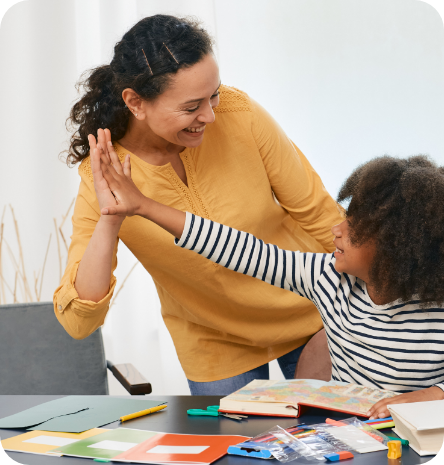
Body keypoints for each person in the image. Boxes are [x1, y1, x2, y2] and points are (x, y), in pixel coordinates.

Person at [54, 14, 343, 395]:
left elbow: (320, 214)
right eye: (191, 107)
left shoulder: (239, 114)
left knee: (340, 443)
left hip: (311, 314)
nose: (209, 115)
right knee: (231, 454)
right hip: (214, 342)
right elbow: (79, 321)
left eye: (214, 95)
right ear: (135, 102)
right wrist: (110, 218)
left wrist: (358, 312)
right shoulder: (104, 175)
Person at [95, 149, 444, 418]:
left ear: (398, 246)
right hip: (345, 435)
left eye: (354, 227)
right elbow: (241, 249)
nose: (337, 228)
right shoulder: (327, 278)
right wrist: (143, 206)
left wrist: (433, 395)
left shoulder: (436, 309)